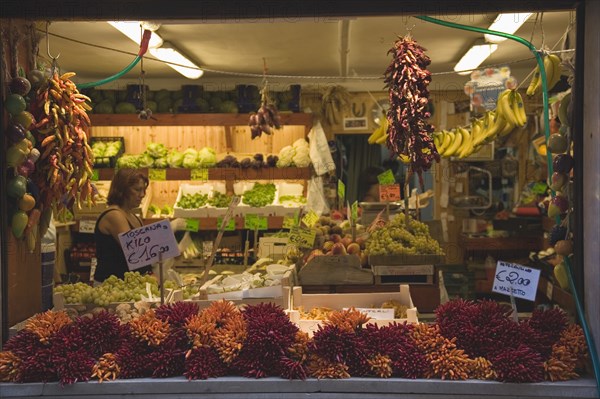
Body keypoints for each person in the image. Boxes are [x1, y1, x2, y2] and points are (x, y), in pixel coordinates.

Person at [93, 168, 152, 284]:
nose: (143, 195)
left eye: (144, 190)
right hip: (110, 288)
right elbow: (136, 251)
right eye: (137, 190)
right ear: (122, 190)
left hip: (128, 285)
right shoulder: (114, 215)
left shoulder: (135, 217)